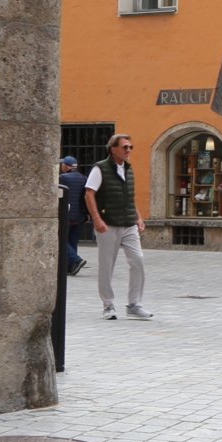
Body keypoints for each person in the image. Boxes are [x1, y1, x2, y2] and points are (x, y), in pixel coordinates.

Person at [84, 134, 153, 319]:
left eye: (130, 147)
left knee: (138, 260)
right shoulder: (100, 168)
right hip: (108, 224)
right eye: (125, 147)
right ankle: (108, 305)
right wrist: (97, 219)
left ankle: (134, 304)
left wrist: (138, 217)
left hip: (128, 224)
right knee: (107, 266)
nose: (128, 150)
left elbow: (129, 197)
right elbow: (89, 194)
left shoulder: (129, 170)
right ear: (113, 149)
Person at [58, 156, 88, 276]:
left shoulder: (62, 178)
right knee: (73, 241)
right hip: (79, 216)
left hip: (67, 215)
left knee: (61, 240)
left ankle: (76, 260)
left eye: (62, 165)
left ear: (66, 166)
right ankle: (71, 267)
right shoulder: (83, 178)